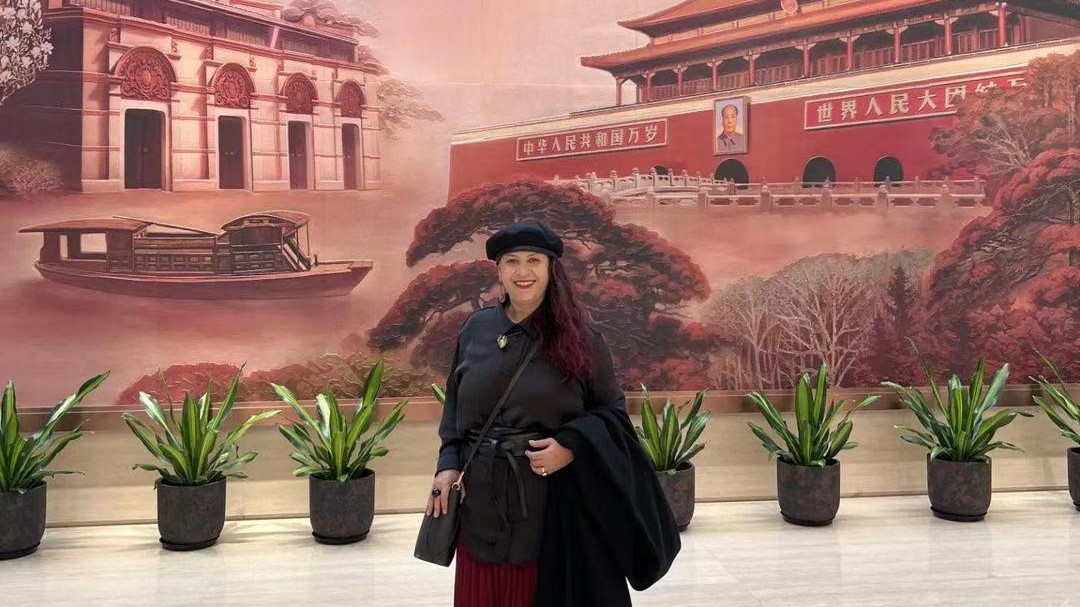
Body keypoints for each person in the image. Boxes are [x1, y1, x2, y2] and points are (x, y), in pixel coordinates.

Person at [426, 219, 680, 607]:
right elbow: (456, 407)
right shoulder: (474, 330)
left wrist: (571, 445)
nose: (523, 271)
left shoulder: (582, 338)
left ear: (551, 269)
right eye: (512, 261)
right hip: (481, 503)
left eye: (534, 260)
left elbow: (613, 413)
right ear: (498, 270)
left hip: (552, 510)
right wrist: (447, 465)